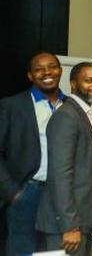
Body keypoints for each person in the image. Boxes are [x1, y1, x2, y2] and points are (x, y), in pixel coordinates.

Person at [36, 62, 92, 256]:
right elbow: (60, 174)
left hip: (84, 220)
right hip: (66, 226)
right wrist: (70, 226)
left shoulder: (90, 114)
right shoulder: (67, 116)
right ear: (73, 85)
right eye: (89, 80)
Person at [0, 52, 65, 255]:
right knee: (22, 251)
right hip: (28, 193)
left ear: (60, 71)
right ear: (30, 76)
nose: (47, 72)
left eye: (52, 67)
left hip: (63, 196)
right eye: (39, 69)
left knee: (57, 252)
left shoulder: (71, 105)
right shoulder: (12, 106)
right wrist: (12, 192)